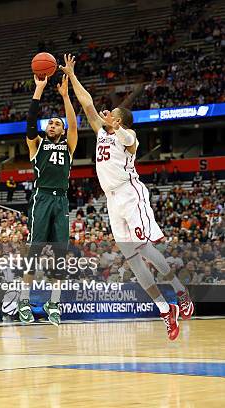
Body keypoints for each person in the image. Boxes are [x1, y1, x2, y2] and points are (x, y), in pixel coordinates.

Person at [60, 54, 194, 340]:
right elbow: (87, 104)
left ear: (119, 119)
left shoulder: (127, 135)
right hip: (111, 200)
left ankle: (181, 294)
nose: (106, 113)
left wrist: (118, 126)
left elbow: (130, 140)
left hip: (130, 196)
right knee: (132, 259)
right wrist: (72, 76)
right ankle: (164, 309)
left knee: (144, 249)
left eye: (113, 113)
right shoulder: (100, 133)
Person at [17, 72, 77, 326]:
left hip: (61, 200)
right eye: (50, 123)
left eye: (56, 124)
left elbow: (74, 125)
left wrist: (65, 97)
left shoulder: (69, 145)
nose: (52, 125)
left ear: (61, 130)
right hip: (41, 199)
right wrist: (39, 89)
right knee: (34, 252)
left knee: (60, 255)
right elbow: (30, 122)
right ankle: (23, 302)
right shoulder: (37, 145)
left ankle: (54, 303)